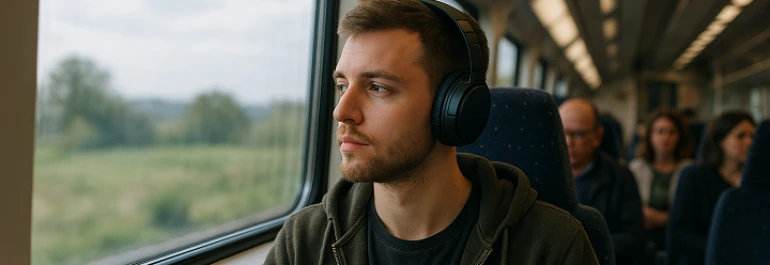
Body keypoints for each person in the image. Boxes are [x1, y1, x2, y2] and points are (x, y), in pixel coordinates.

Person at [264, 1, 599, 264]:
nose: (342, 112)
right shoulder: (306, 239)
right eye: (342, 85)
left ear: (452, 109)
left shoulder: (551, 247)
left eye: (378, 87)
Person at [558, 98, 645, 265]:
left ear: (597, 137)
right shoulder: (538, 175)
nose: (568, 142)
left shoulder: (621, 177)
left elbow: (633, 237)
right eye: (563, 133)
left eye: (579, 134)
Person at [667, 111, 756, 265]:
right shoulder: (694, 177)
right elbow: (680, 234)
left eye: (753, 136)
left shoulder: (759, 182)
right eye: (740, 136)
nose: (749, 142)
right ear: (721, 140)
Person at [628, 109, 693, 260]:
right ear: (650, 136)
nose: (666, 137)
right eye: (660, 131)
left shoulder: (689, 170)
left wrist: (663, 219)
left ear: (680, 136)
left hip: (679, 242)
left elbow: (691, 216)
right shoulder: (637, 168)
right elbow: (630, 209)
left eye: (672, 132)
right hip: (643, 239)